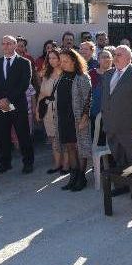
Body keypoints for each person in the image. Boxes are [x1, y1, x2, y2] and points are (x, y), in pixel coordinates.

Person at [101, 45, 132, 200]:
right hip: (111, 126)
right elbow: (106, 99)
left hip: (129, 127)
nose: (115, 57)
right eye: (115, 54)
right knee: (118, 158)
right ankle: (122, 186)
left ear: (128, 58)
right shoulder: (108, 74)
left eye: (119, 55)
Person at [0, 36, 35, 174]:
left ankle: (28, 162)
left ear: (15, 45)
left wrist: (8, 99)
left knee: (23, 135)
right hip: (1, 105)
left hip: (17, 105)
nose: (6, 46)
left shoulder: (24, 62)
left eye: (9, 43)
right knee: (3, 134)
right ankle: (5, 162)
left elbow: (24, 84)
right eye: (3, 44)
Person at [54, 48, 92, 192]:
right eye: (61, 61)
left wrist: (84, 117)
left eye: (66, 61)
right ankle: (73, 176)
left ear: (74, 61)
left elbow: (89, 99)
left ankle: (81, 178)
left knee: (80, 148)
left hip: (77, 118)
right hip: (64, 118)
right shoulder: (62, 76)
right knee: (70, 147)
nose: (62, 64)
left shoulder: (82, 77)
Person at [35, 47, 66, 175]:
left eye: (55, 58)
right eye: (50, 58)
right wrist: (38, 110)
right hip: (48, 110)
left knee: (64, 139)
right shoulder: (46, 74)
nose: (52, 60)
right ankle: (57, 164)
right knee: (53, 138)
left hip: (63, 110)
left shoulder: (66, 74)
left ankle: (66, 165)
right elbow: (42, 94)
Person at [88, 50, 113, 145]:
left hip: (113, 116)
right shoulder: (91, 74)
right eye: (103, 57)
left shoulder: (117, 74)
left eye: (108, 57)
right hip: (95, 114)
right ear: (98, 60)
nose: (106, 59)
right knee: (98, 143)